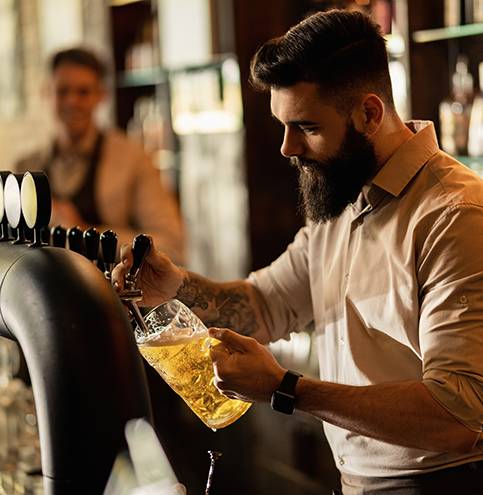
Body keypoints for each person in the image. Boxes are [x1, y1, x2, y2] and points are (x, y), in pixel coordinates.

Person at [113, 9, 483, 494]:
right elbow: (266, 305)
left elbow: (459, 415)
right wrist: (177, 288)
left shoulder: (453, 215)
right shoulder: (341, 201)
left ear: (369, 114)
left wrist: (287, 389)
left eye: (306, 127)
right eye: (282, 125)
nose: (287, 148)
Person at [15, 47, 184, 263]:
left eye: (83, 92)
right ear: (47, 93)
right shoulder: (26, 165)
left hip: (110, 294)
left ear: (100, 95)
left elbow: (171, 244)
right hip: (40, 293)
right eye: (62, 91)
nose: (72, 101)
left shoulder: (132, 159)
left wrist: (85, 232)